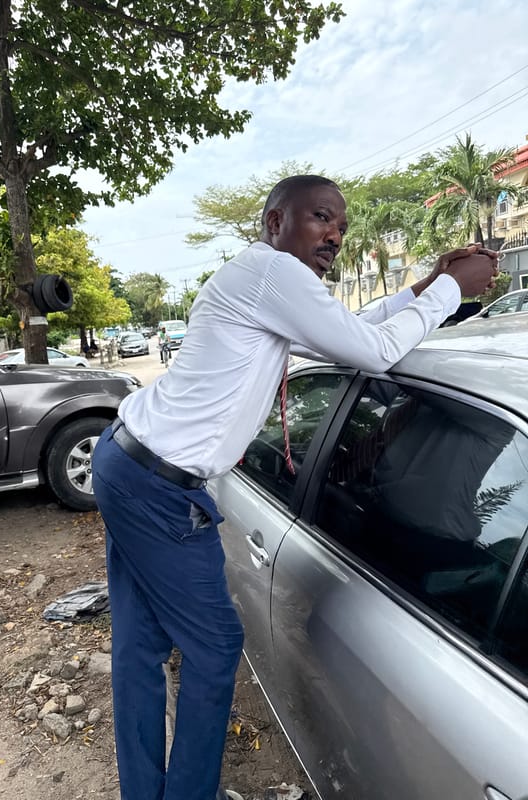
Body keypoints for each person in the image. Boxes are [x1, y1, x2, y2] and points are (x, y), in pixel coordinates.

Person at [92, 175, 498, 800]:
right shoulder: (272, 276)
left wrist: (421, 287)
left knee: (141, 648)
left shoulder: (265, 281)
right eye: (320, 217)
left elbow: (351, 326)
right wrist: (451, 289)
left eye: (340, 224)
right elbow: (374, 352)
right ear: (275, 222)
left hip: (131, 464)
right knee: (216, 646)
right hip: (159, 488)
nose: (335, 233)